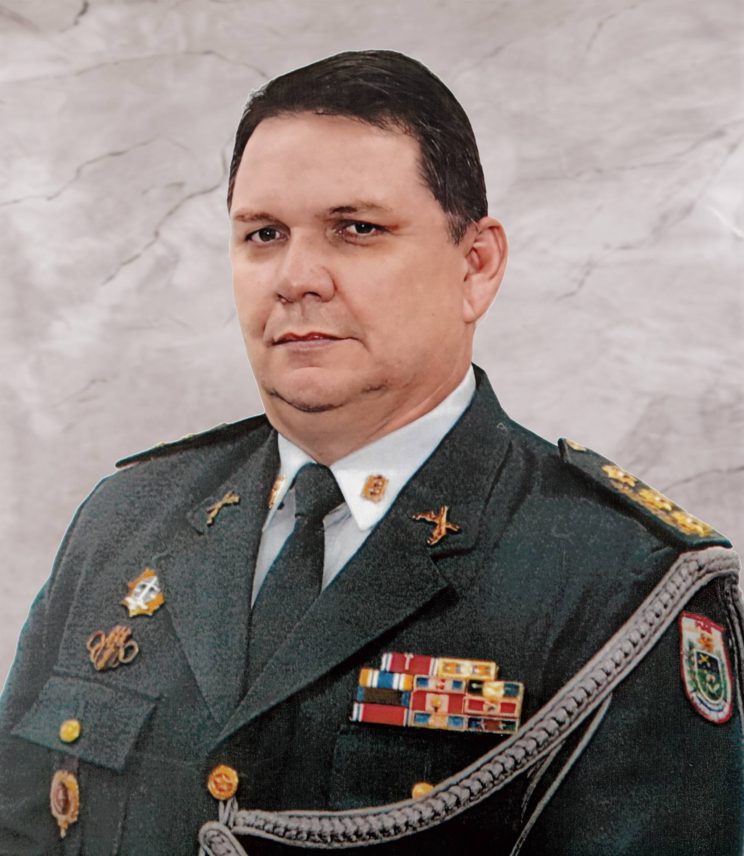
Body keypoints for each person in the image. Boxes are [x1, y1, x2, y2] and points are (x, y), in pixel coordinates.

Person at [0, 50, 741, 856]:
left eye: (356, 229)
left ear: (476, 266)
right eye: (263, 234)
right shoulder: (126, 521)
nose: (296, 278)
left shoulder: (620, 581)